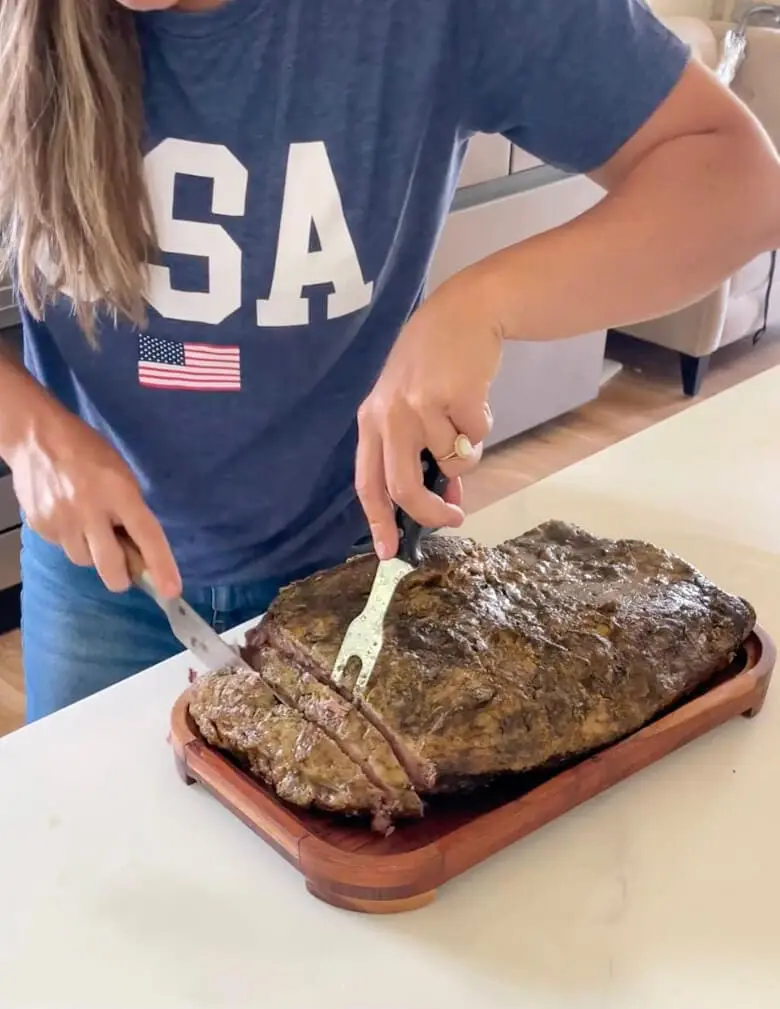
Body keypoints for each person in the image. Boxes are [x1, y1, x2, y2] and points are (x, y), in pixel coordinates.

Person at [0, 0, 778, 723]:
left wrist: (484, 304)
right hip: (99, 574)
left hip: (356, 560)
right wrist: (30, 433)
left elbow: (739, 181)